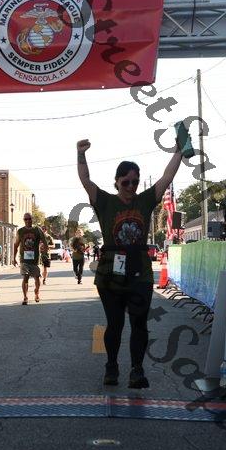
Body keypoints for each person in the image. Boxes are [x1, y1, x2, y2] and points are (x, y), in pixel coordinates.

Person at [77, 138, 183, 389]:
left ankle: (137, 370)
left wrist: (179, 150)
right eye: (126, 182)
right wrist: (81, 154)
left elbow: (167, 177)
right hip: (110, 273)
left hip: (140, 273)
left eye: (135, 182)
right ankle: (111, 366)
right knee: (115, 323)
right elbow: (86, 180)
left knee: (139, 323)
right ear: (116, 182)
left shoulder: (144, 201)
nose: (131, 186)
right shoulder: (105, 202)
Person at [13, 213, 48, 305]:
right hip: (24, 259)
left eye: (29, 219)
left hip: (35, 259)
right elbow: (16, 245)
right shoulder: (20, 231)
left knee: (37, 277)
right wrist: (14, 258)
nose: (28, 221)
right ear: (24, 220)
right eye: (26, 219)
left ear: (32, 219)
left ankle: (37, 293)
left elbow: (45, 242)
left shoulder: (37, 230)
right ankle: (25, 297)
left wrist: (45, 253)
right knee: (25, 277)